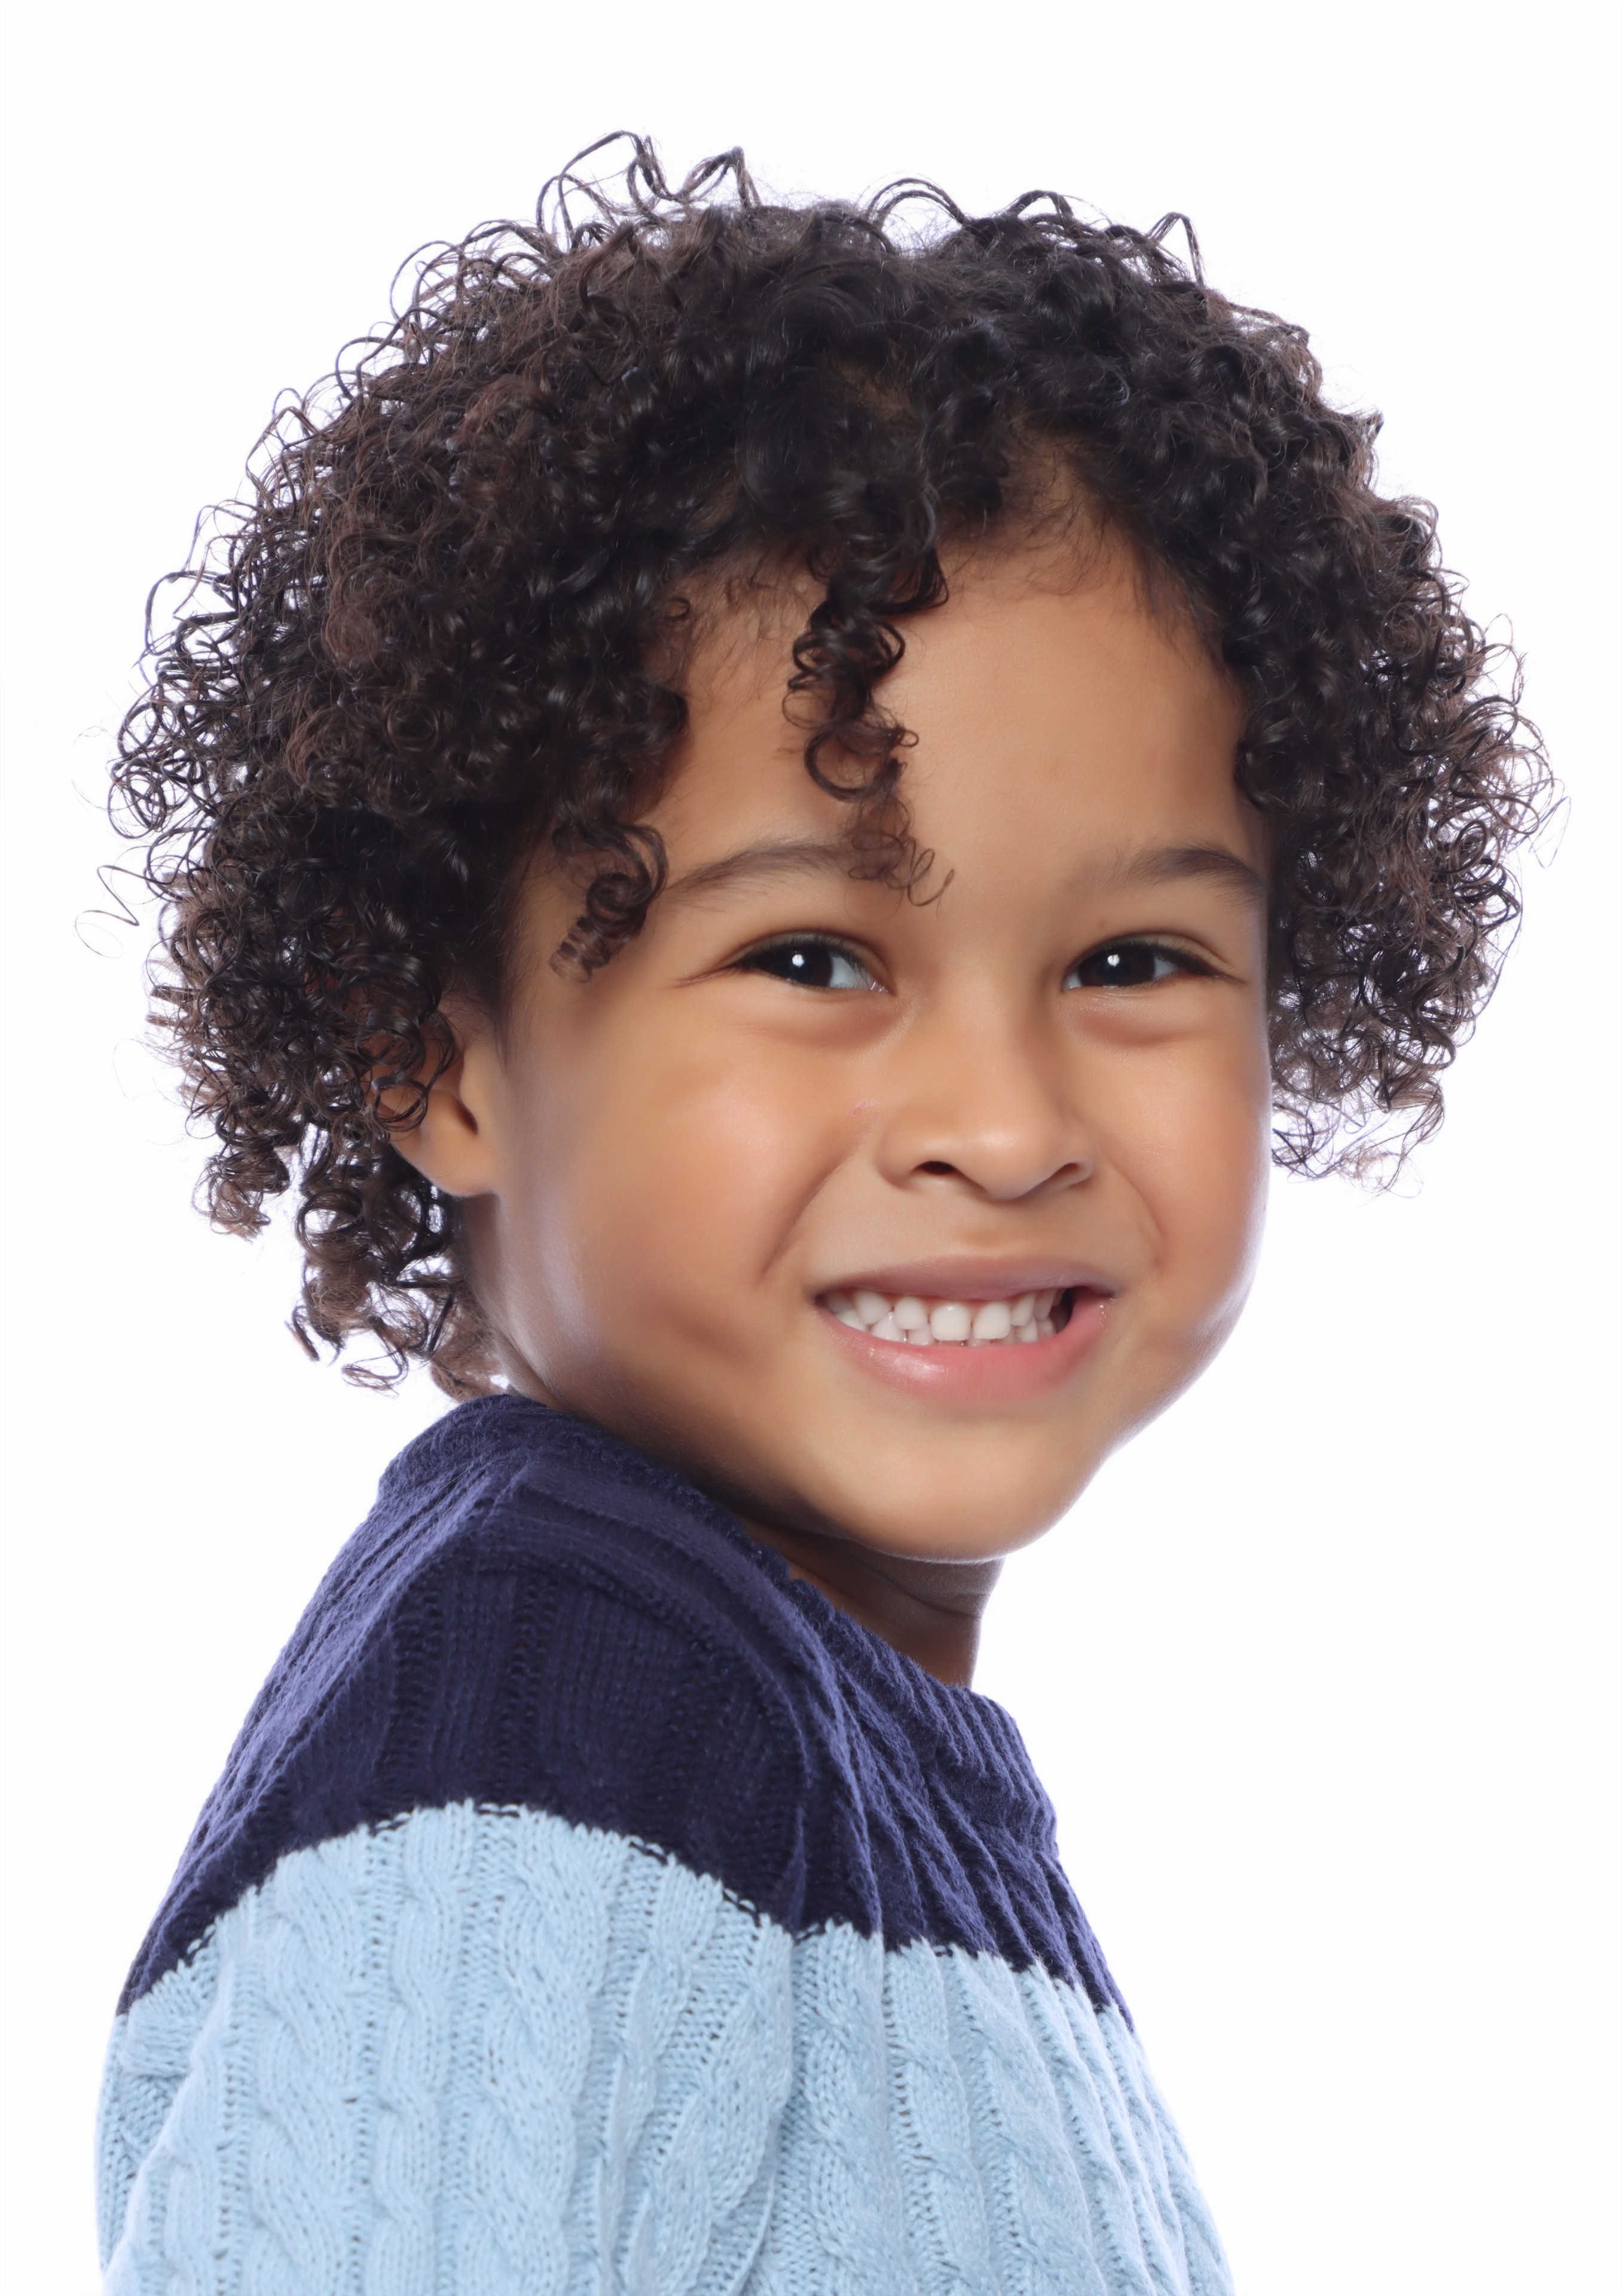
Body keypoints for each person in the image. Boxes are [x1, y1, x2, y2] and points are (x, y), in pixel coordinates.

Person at [96, 139, 1546, 2292]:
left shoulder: (828, 1787)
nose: (1002, 1125)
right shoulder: (557, 1700)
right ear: (442, 1056)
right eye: (811, 958)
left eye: (1132, 962)